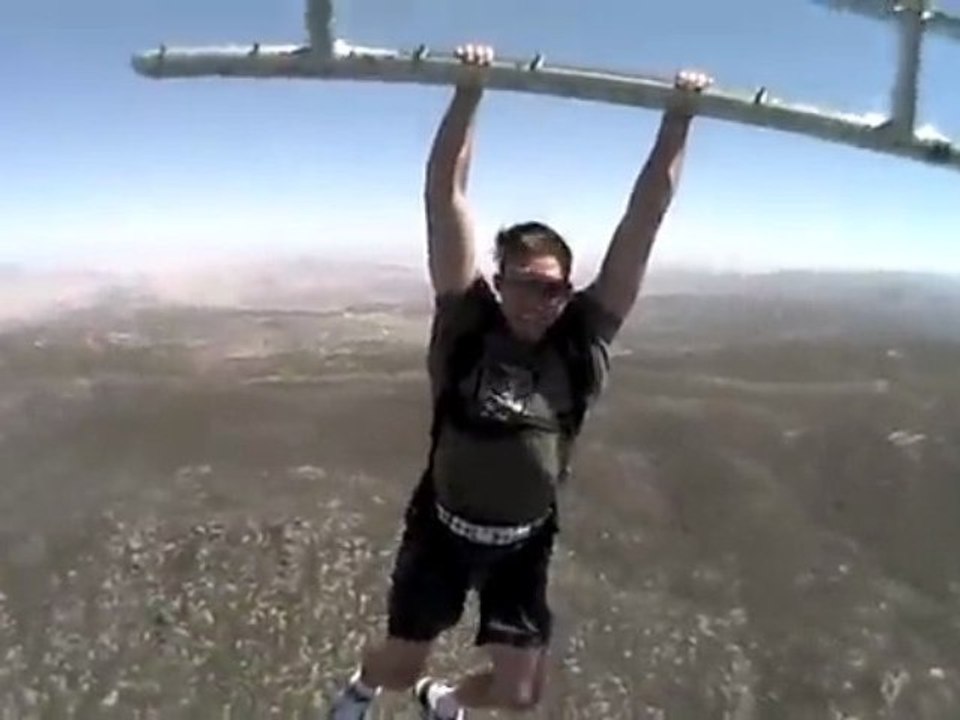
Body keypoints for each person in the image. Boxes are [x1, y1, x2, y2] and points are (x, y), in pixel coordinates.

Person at [328, 43, 712, 720]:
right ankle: (362, 690)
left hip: (524, 541)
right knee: (398, 661)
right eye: (526, 285)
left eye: (556, 289)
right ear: (498, 281)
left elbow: (644, 220)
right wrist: (469, 91)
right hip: (442, 529)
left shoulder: (579, 340)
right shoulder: (467, 326)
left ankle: (443, 701)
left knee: (520, 694)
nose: (542, 301)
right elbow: (444, 194)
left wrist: (678, 120)